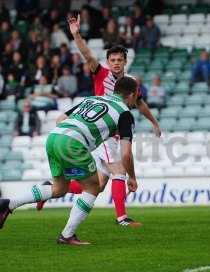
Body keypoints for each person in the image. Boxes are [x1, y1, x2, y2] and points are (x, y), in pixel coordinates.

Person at [48, 14, 160, 227]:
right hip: (104, 133)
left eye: (119, 60)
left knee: (98, 185)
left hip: (114, 133)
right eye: (113, 60)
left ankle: (50, 189)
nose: (116, 63)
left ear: (125, 62)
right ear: (108, 62)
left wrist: (154, 122)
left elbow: (140, 104)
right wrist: (76, 34)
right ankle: (122, 218)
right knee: (119, 171)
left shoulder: (129, 83)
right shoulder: (101, 74)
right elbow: (87, 54)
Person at [0, 76, 140, 245]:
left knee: (59, 188)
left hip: (54, 137)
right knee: (93, 186)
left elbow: (60, 119)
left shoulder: (94, 98)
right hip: (73, 144)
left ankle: (8, 204)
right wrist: (131, 177)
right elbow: (125, 154)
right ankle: (67, 235)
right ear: (132, 94)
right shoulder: (125, 113)